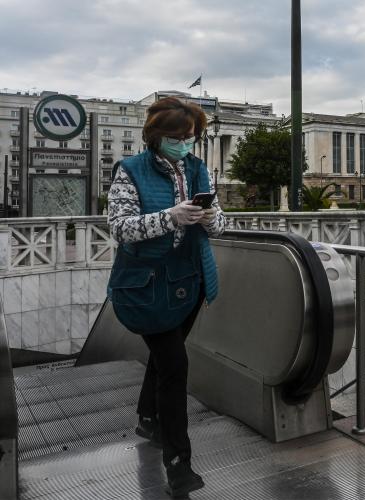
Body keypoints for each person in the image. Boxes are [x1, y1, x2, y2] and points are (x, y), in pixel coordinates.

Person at [107, 97, 225, 497]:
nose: (184, 144)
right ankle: (179, 464)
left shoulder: (198, 169)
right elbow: (121, 229)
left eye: (190, 137)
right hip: (145, 286)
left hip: (190, 282)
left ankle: (147, 418)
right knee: (175, 365)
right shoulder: (130, 170)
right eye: (176, 137)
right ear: (156, 136)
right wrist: (169, 217)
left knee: (165, 359)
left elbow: (222, 224)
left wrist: (210, 218)